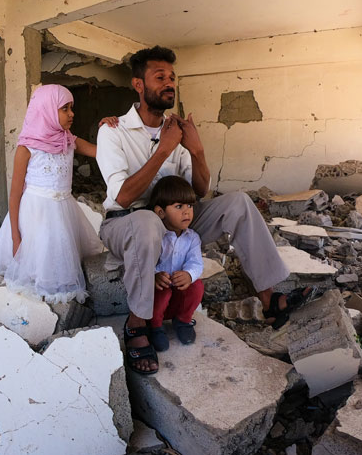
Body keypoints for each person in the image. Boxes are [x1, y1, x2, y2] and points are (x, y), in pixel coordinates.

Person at [96, 46, 291, 375]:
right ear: (138, 85)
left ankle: (269, 299)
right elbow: (125, 196)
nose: (169, 83)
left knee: (239, 202)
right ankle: (137, 322)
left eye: (172, 78)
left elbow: (199, 191)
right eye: (160, 77)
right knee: (146, 220)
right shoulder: (112, 132)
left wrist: (196, 150)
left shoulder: (176, 130)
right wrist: (164, 150)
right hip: (126, 223)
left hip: (173, 219)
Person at [0, 84, 106, 304]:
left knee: (61, 257)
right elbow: (14, 195)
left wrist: (109, 129)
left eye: (72, 108)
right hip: (35, 215)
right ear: (47, 109)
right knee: (36, 263)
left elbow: (101, 152)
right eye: (65, 109)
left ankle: (61, 307)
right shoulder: (26, 148)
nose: (72, 114)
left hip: (64, 212)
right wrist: (15, 236)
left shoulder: (69, 140)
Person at [147, 175, 205, 352]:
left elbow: (196, 262)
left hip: (178, 293)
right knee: (162, 293)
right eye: (179, 206)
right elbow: (144, 262)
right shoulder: (156, 236)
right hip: (158, 294)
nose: (187, 212)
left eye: (189, 206)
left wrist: (188, 274)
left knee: (197, 286)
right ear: (160, 212)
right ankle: (155, 327)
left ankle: (183, 321)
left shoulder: (192, 237)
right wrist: (155, 276)